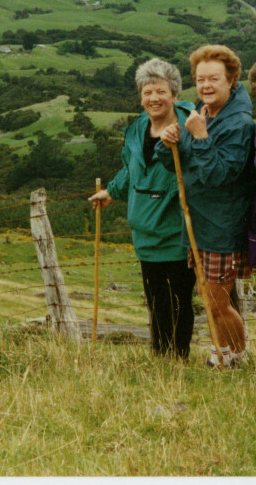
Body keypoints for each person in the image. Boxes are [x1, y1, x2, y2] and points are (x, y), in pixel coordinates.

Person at [89, 58, 195, 358]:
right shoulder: (137, 129)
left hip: (176, 233)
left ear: (175, 95)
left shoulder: (187, 127)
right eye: (147, 92)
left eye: (161, 91)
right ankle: (161, 357)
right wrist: (113, 190)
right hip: (145, 235)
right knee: (156, 301)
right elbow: (131, 168)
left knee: (177, 302)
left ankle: (178, 358)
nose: (153, 98)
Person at [158, 44, 255, 368]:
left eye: (214, 79)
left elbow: (219, 175)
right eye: (200, 80)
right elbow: (178, 165)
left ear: (231, 80)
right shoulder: (205, 113)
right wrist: (167, 143)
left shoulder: (238, 123)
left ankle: (238, 357)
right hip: (201, 222)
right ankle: (221, 353)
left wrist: (199, 137)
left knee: (215, 299)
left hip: (221, 225)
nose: (206, 86)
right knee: (209, 296)